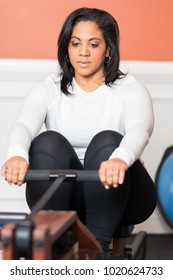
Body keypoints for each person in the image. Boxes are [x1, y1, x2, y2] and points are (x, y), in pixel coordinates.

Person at [1, 7, 157, 252]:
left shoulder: (130, 89)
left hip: (120, 195)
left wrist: (119, 159)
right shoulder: (49, 88)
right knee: (46, 141)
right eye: (76, 43)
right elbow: (23, 123)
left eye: (93, 44)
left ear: (108, 49)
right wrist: (16, 155)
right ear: (67, 47)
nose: (83, 52)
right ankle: (55, 246)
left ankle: (96, 250)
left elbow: (140, 128)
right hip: (67, 196)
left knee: (107, 140)